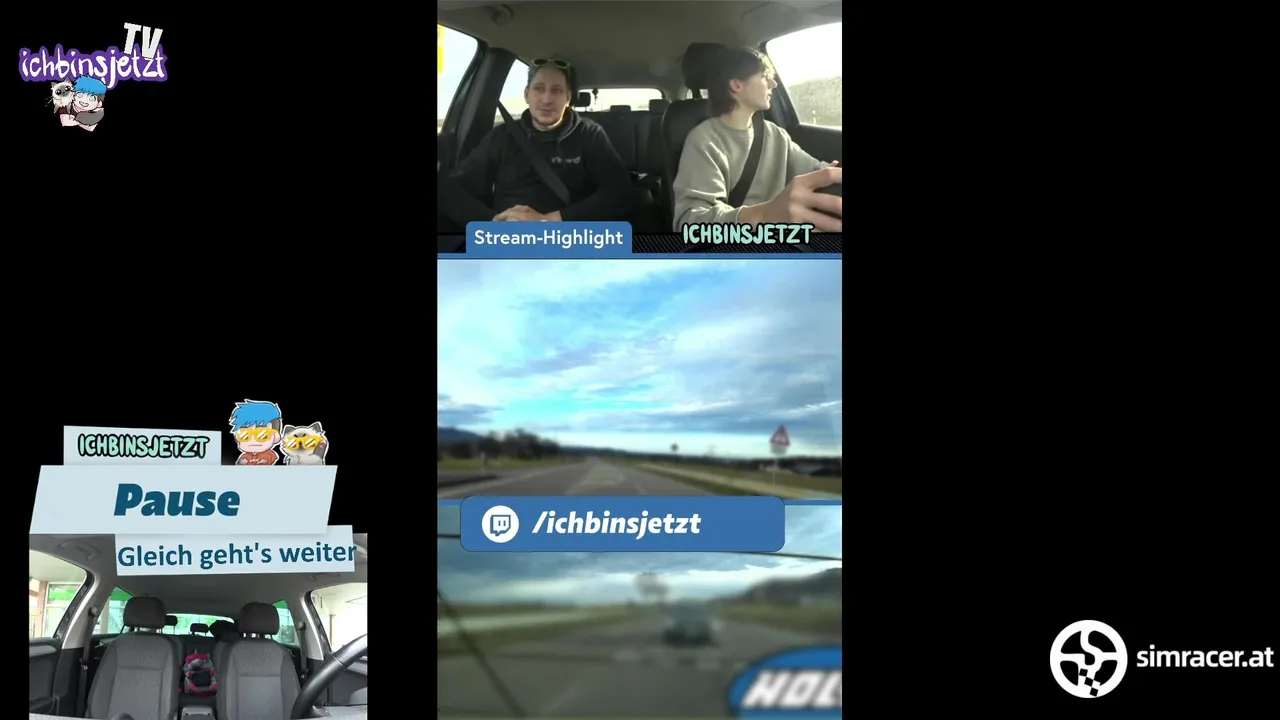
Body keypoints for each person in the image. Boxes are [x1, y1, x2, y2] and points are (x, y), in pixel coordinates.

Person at [438, 58, 635, 227]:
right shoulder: (503, 136)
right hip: (509, 241)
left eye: (557, 90)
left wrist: (550, 220)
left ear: (568, 98)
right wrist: (491, 222)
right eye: (539, 89)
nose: (547, 99)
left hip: (568, 239)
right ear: (527, 95)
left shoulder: (589, 134)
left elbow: (620, 192)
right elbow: (451, 190)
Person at [671, 46, 841, 231]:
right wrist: (765, 215)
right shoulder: (704, 140)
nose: (773, 83)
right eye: (764, 76)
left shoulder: (775, 134)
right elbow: (691, 224)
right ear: (737, 85)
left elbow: (816, 171)